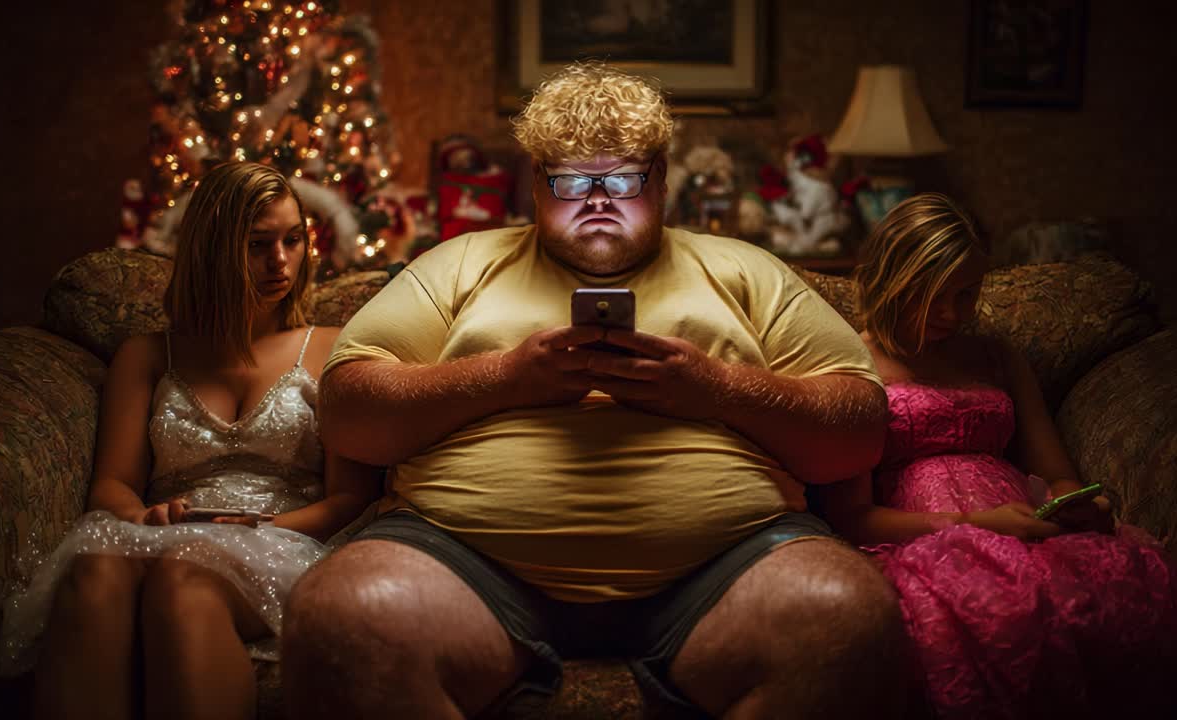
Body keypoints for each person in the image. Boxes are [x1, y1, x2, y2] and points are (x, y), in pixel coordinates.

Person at [281, 62, 911, 719]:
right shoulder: (458, 265)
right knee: (342, 616)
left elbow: (860, 427)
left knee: (847, 616)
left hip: (731, 565)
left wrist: (719, 390)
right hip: (462, 562)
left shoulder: (747, 271)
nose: (598, 199)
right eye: (573, 180)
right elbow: (346, 411)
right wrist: (505, 380)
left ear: (661, 178)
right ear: (536, 182)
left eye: (623, 179)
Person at [0, 162, 379, 720]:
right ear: (213, 250)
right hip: (164, 532)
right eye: (258, 244)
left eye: (293, 240)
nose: (281, 262)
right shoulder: (148, 355)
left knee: (183, 576)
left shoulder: (332, 348)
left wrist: (251, 527)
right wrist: (147, 517)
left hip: (283, 539)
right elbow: (113, 483)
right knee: (95, 571)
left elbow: (348, 499)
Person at [821, 192, 1177, 718]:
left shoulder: (996, 356)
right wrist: (981, 526)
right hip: (926, 545)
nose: (951, 314)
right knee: (994, 617)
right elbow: (851, 517)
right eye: (933, 294)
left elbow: (1056, 472)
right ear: (893, 280)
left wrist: (1075, 504)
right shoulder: (851, 364)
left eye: (966, 294)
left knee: (1109, 607)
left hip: (1031, 531)